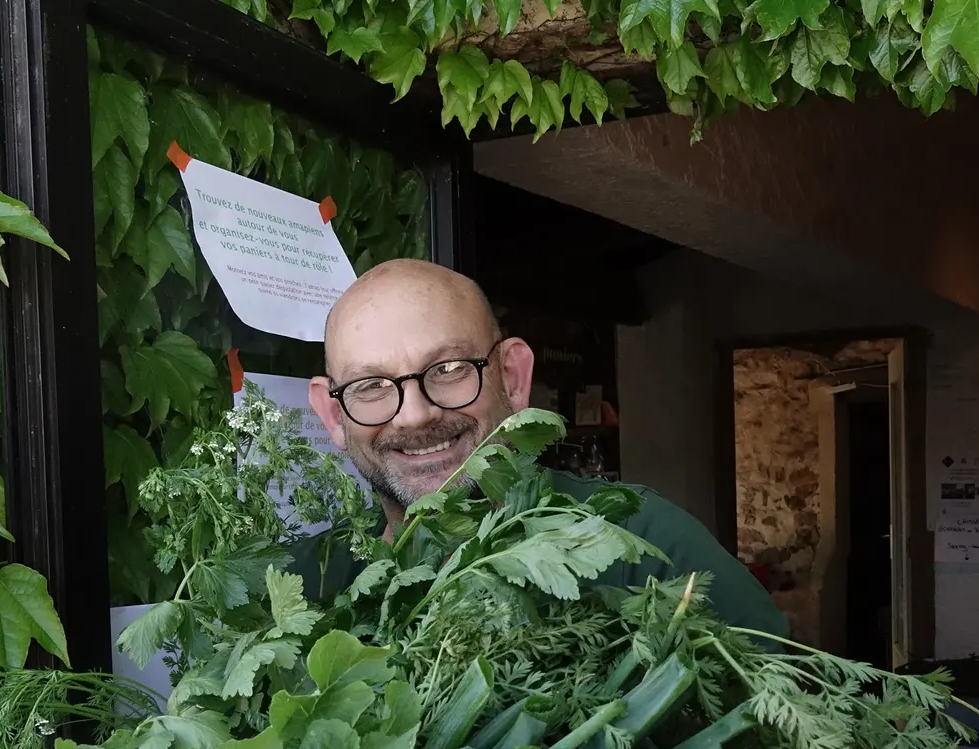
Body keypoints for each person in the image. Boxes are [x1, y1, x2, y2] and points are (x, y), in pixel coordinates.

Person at [300, 258, 787, 639]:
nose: (414, 415)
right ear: (333, 416)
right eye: (370, 385)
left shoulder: (654, 552)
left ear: (513, 378)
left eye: (448, 369)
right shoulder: (307, 586)